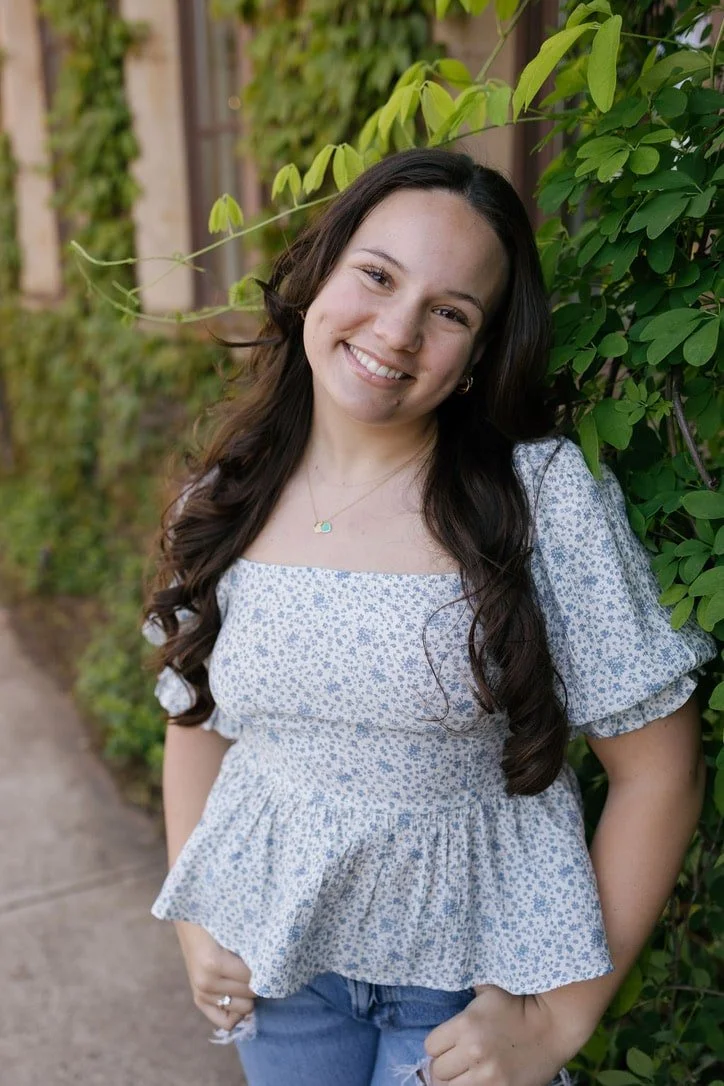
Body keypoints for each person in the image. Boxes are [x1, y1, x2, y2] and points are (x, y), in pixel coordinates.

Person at [142, 148, 716, 1086]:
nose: (397, 330)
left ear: (481, 351)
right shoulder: (225, 497)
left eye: (449, 312)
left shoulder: (538, 502)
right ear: (319, 272)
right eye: (376, 275)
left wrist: (556, 1022)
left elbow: (662, 771)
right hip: (277, 968)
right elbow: (196, 716)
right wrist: (196, 919)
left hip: (469, 989)